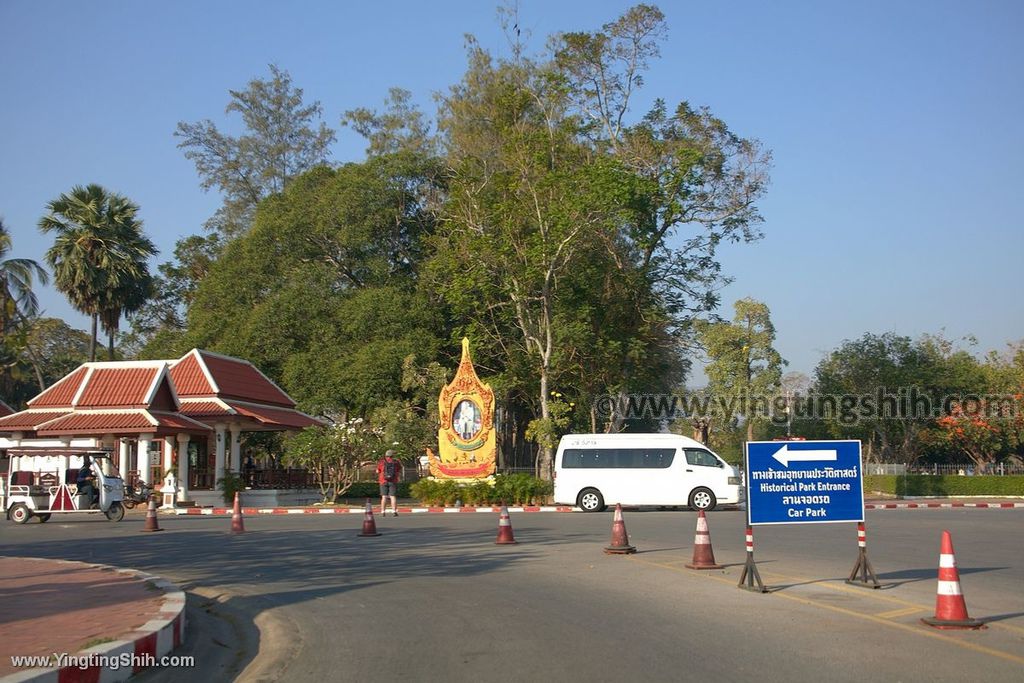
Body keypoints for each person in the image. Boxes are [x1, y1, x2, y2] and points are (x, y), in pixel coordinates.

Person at [376, 449, 403, 517]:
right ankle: (394, 511)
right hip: (393, 481)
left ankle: (383, 512)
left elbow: (377, 471)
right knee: (392, 496)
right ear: (392, 455)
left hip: (383, 481)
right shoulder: (396, 462)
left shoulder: (381, 462)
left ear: (386, 455)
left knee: (384, 497)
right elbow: (399, 469)